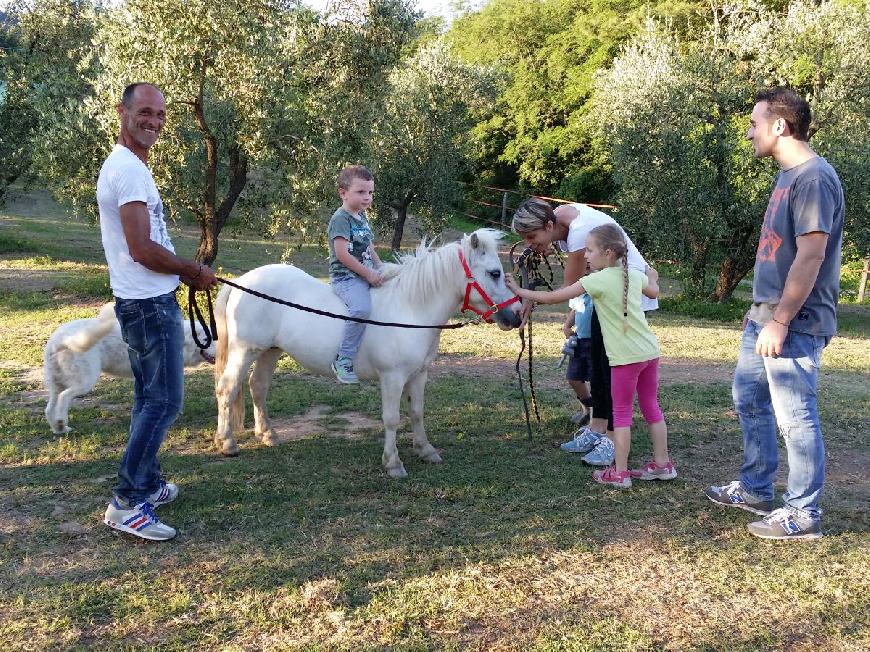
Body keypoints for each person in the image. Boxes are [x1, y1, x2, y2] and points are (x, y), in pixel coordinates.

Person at [704, 87, 844, 540]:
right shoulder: (787, 177)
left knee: (795, 415)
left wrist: (781, 320)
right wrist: (762, 312)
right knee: (749, 398)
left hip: (796, 320)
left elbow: (811, 256)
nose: (749, 133)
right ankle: (755, 487)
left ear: (779, 125)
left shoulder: (814, 178)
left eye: (754, 123)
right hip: (766, 315)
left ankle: (803, 514)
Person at [98, 82, 217, 541]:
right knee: (164, 402)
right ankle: (127, 503)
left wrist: (183, 273)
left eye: (161, 114)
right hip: (147, 304)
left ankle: (146, 482)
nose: (154, 121)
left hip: (145, 300)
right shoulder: (127, 170)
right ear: (123, 112)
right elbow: (142, 248)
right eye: (145, 112)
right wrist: (190, 270)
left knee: (150, 399)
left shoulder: (131, 167)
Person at [507, 223, 674, 488]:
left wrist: (520, 292)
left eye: (590, 250)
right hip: (649, 353)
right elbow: (653, 291)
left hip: (624, 359)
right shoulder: (632, 274)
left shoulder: (596, 280)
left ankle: (620, 473)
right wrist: (652, 275)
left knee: (620, 414)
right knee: (651, 407)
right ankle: (663, 465)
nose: (585, 255)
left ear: (607, 253)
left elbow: (554, 297)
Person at [328, 165, 384, 384]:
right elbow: (342, 255)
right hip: (346, 278)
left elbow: (369, 247)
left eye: (370, 193)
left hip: (364, 274)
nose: (367, 198)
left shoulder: (361, 216)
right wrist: (369, 275)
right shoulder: (341, 219)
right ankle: (344, 358)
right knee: (361, 309)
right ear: (343, 192)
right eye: (361, 192)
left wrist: (381, 269)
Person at [562, 293, 593, 428]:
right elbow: (575, 309)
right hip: (579, 341)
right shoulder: (577, 291)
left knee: (597, 381)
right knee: (574, 378)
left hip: (598, 342)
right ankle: (588, 408)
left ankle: (597, 418)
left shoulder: (601, 287)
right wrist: (567, 326)